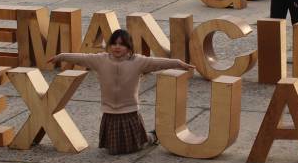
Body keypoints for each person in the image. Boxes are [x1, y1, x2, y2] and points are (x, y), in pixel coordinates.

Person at [48, 30, 196, 155]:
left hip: (129, 110)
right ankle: (146, 137)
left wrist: (178, 63)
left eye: (121, 44)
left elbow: (158, 62)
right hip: (110, 110)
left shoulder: (138, 61)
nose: (117, 47)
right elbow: (82, 57)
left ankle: (152, 137)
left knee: (136, 146)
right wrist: (61, 56)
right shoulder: (100, 60)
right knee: (113, 150)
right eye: (114, 44)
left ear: (128, 46)